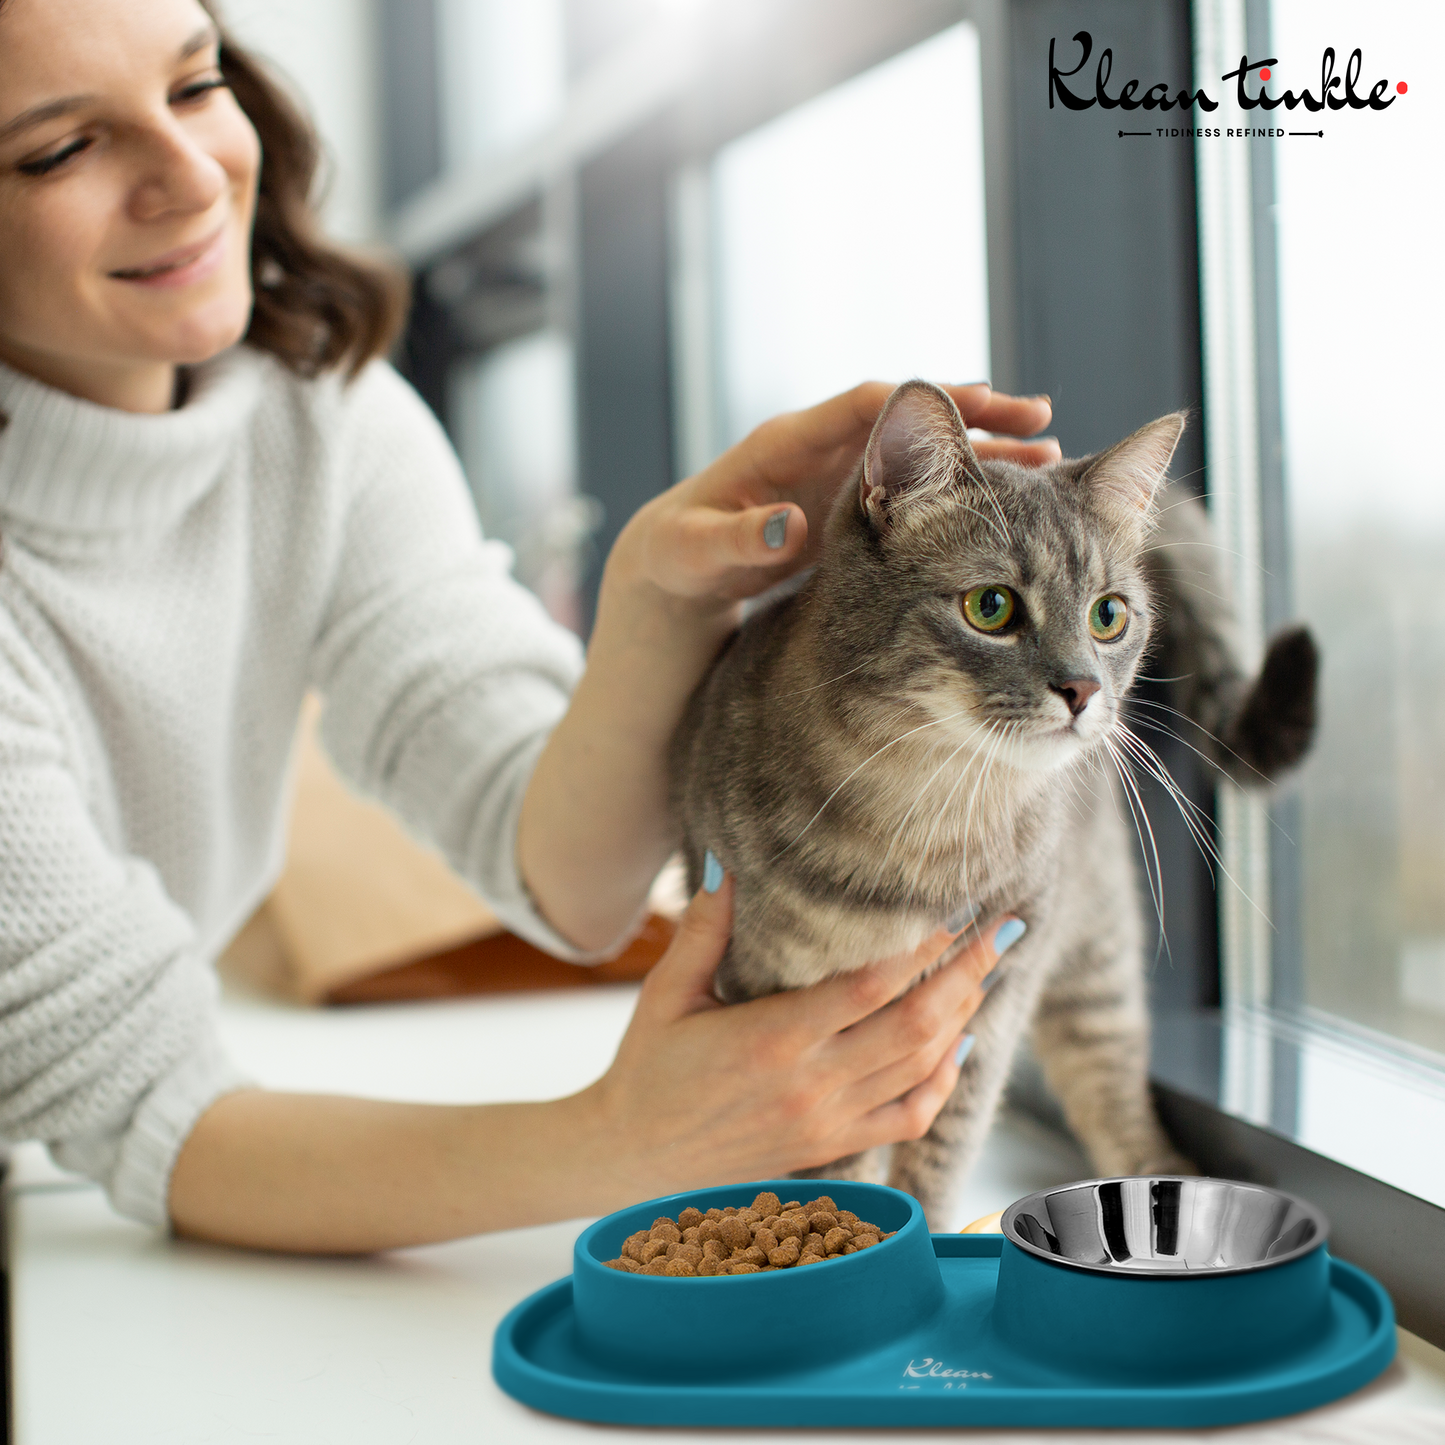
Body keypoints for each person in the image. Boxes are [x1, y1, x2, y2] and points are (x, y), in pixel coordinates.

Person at [0, 0, 1059, 1253]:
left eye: (195, 85)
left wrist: (657, 603)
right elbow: (154, 1113)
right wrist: (626, 1137)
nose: (189, 177)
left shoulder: (318, 418)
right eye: (60, 150)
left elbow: (564, 875)